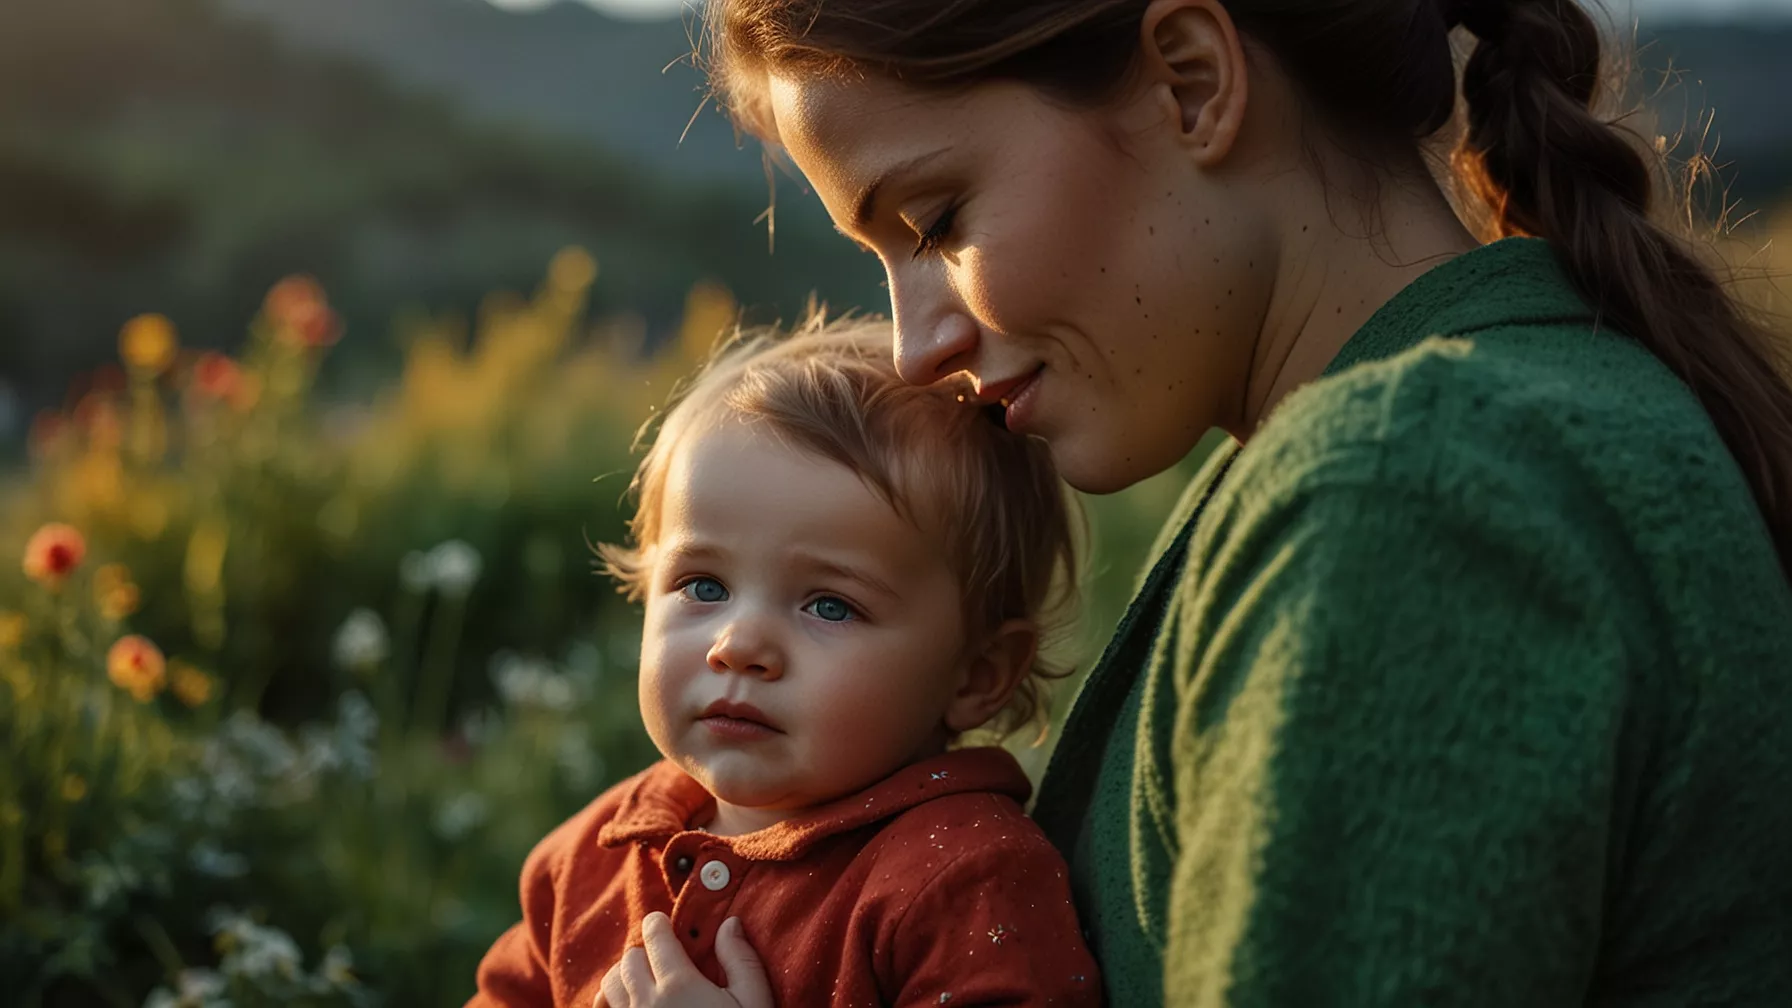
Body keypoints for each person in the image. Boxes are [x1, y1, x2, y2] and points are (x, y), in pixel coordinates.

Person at [626, 0, 1792, 1004]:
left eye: (936, 221)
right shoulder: (1431, 435)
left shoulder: (1411, 496)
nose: (917, 347)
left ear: (1191, 83)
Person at [465, 318, 1100, 1008]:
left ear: (977, 674)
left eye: (829, 605)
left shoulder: (962, 880)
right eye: (704, 587)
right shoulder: (593, 858)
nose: (738, 645)